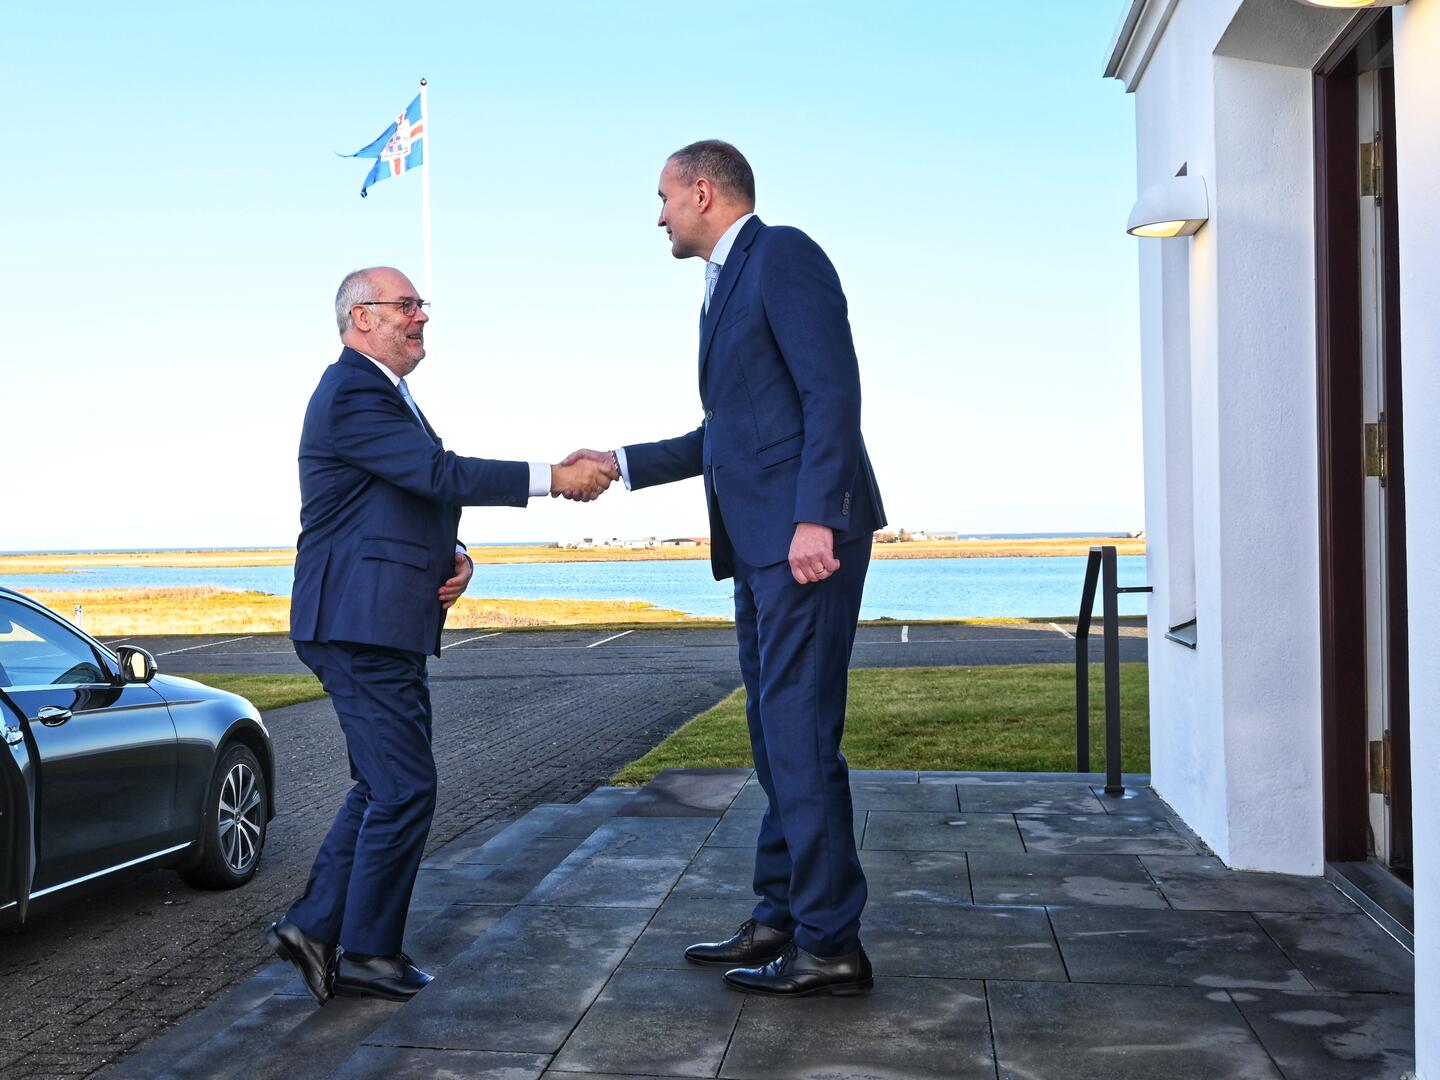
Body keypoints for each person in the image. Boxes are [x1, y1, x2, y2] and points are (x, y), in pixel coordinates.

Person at [563, 140, 885, 997]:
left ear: (703, 193)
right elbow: (731, 433)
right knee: (775, 735)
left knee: (800, 733)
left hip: (802, 541)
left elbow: (832, 393)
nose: (658, 216)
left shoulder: (783, 255)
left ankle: (829, 943)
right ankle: (782, 915)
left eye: (664, 197)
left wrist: (817, 515)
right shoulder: (722, 286)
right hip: (758, 546)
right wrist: (622, 462)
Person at [266, 266, 616, 1005]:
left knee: (384, 784)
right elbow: (436, 472)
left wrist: (454, 554)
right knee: (404, 787)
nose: (421, 316)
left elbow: (401, 496)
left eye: (421, 304)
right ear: (362, 318)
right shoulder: (353, 390)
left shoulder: (383, 394)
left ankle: (316, 927)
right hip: (357, 622)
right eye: (406, 305)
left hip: (377, 620)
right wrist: (554, 477)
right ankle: (365, 952)